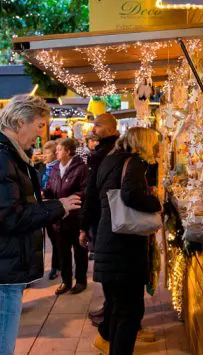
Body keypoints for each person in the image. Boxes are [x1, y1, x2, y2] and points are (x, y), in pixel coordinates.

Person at [0, 94, 81, 355]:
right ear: (17, 122)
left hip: (0, 265)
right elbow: (8, 217)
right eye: (38, 126)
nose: (40, 135)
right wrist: (58, 207)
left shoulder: (3, 156)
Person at [92, 127, 162, 355]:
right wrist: (155, 202)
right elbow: (130, 194)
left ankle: (110, 345)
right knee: (129, 312)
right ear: (142, 143)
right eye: (153, 143)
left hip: (108, 241)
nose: (155, 148)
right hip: (124, 249)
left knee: (116, 308)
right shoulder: (133, 162)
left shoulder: (110, 160)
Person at [79, 113, 119, 325]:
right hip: (109, 216)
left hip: (105, 217)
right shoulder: (113, 150)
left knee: (106, 266)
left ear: (111, 130)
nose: (94, 129)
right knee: (109, 266)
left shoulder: (102, 153)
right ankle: (109, 307)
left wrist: (83, 225)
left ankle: (110, 312)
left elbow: (92, 191)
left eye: (98, 125)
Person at [45, 137, 88, 295]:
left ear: (68, 152)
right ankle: (66, 281)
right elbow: (50, 186)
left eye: (60, 149)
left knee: (79, 250)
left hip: (75, 217)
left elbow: (84, 191)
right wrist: (46, 193)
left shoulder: (81, 168)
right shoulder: (55, 167)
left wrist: (69, 200)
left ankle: (81, 280)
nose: (56, 151)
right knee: (62, 250)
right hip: (59, 217)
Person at [39, 141, 61, 280]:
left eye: (47, 153)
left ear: (54, 154)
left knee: (55, 238)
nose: (44, 155)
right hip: (40, 206)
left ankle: (56, 266)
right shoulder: (40, 168)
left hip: (53, 205)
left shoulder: (59, 168)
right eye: (44, 152)